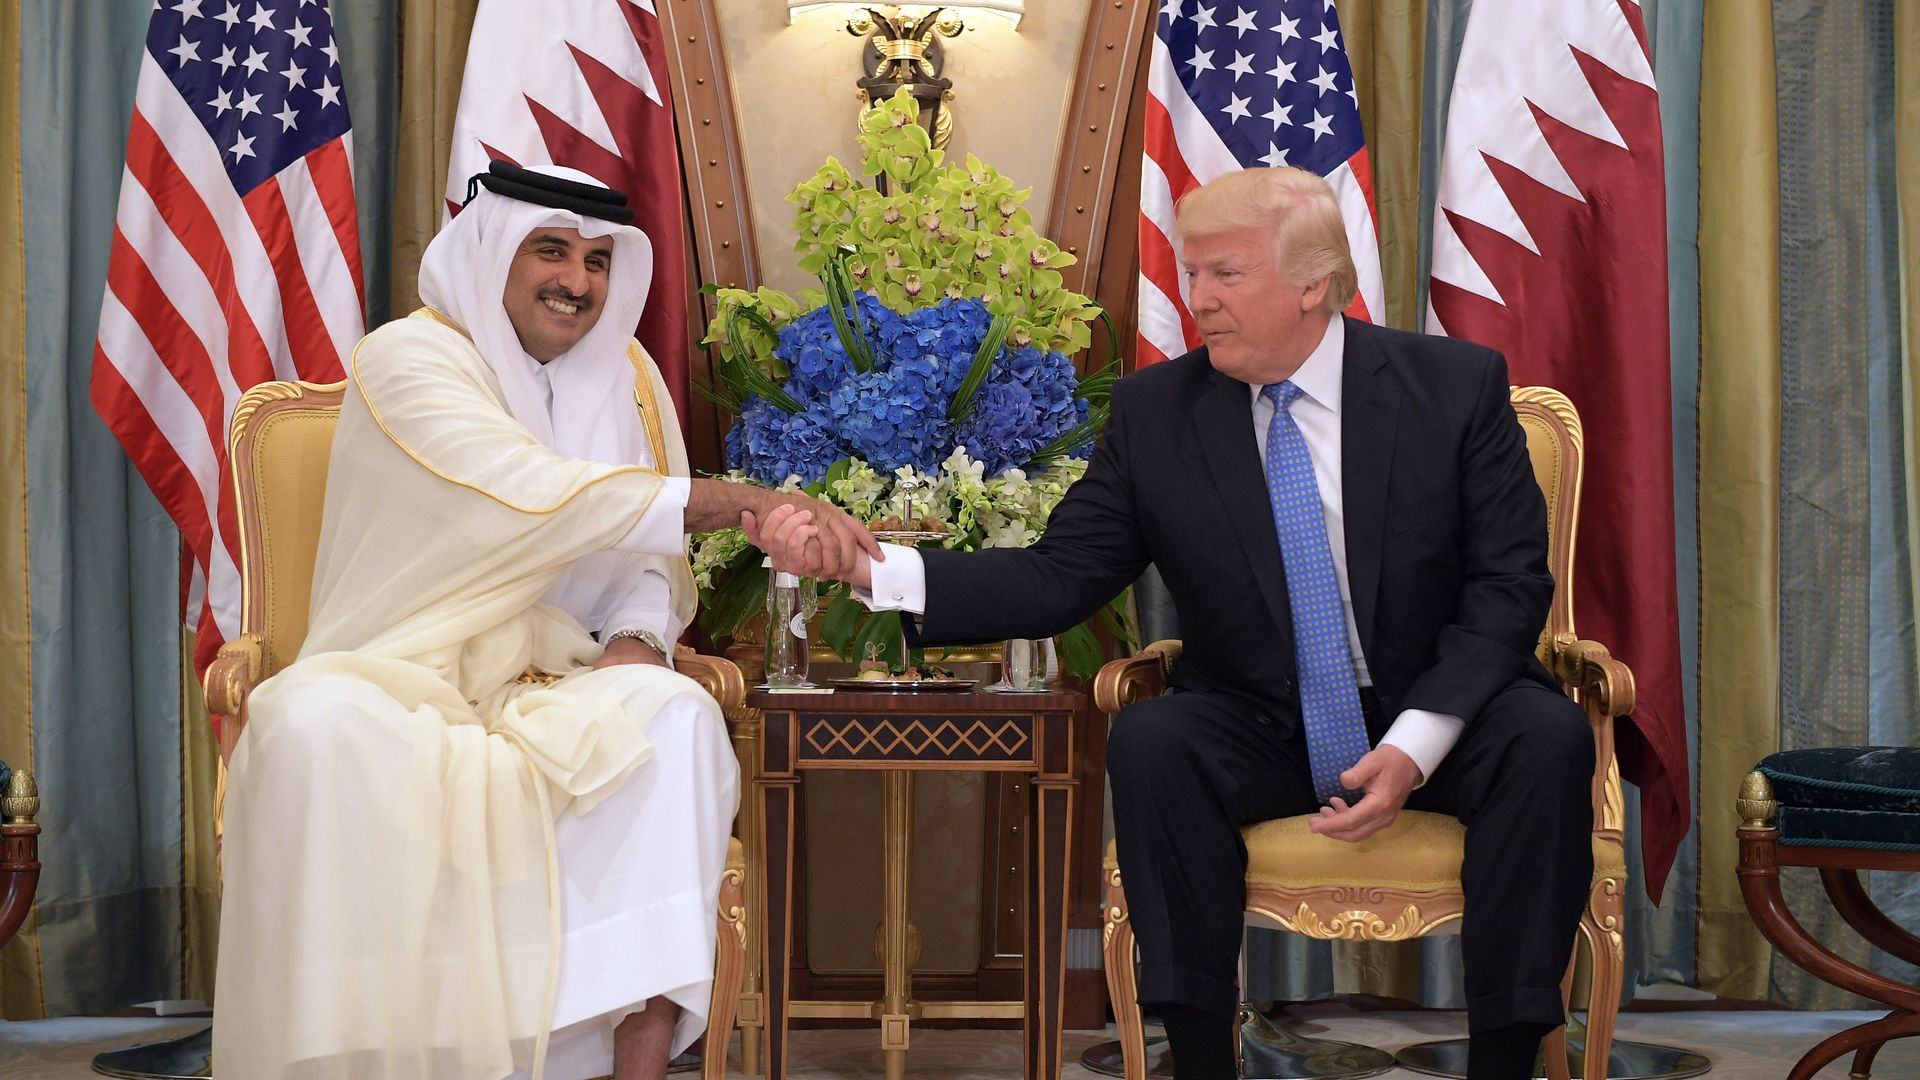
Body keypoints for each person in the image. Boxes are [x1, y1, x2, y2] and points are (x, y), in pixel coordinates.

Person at [749, 166, 1593, 1080]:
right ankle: (1198, 1060)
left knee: (1545, 735)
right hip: (1258, 718)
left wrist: (1417, 741)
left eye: (1224, 275)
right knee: (1154, 739)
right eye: (1191, 275)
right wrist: (873, 567)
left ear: (1314, 283)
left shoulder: (1454, 388)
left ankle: (1507, 1062)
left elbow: (1509, 587)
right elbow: (1058, 578)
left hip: (1436, 705)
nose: (1198, 302)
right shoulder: (1160, 412)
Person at [213, 163, 876, 1080]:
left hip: (558, 680)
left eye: (600, 260)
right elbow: (529, 493)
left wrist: (638, 647)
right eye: (552, 251)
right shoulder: (409, 359)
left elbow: (647, 562)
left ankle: (627, 1069)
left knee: (675, 718)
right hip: (401, 671)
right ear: (493, 256)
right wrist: (745, 502)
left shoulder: (629, 376)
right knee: (314, 729)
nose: (578, 281)